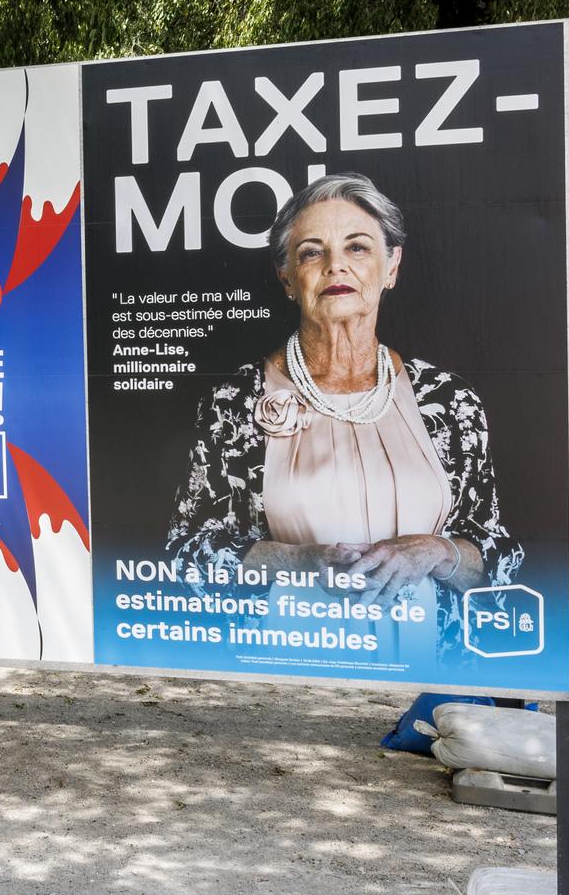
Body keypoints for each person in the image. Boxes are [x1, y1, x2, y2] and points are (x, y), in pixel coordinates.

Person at [166, 172, 522, 625]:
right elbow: (184, 556)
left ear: (391, 266)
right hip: (284, 666)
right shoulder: (233, 403)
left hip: (430, 668)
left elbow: (501, 560)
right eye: (312, 252)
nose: (336, 266)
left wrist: (435, 552)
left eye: (357, 247)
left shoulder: (450, 402)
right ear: (288, 279)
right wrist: (297, 562)